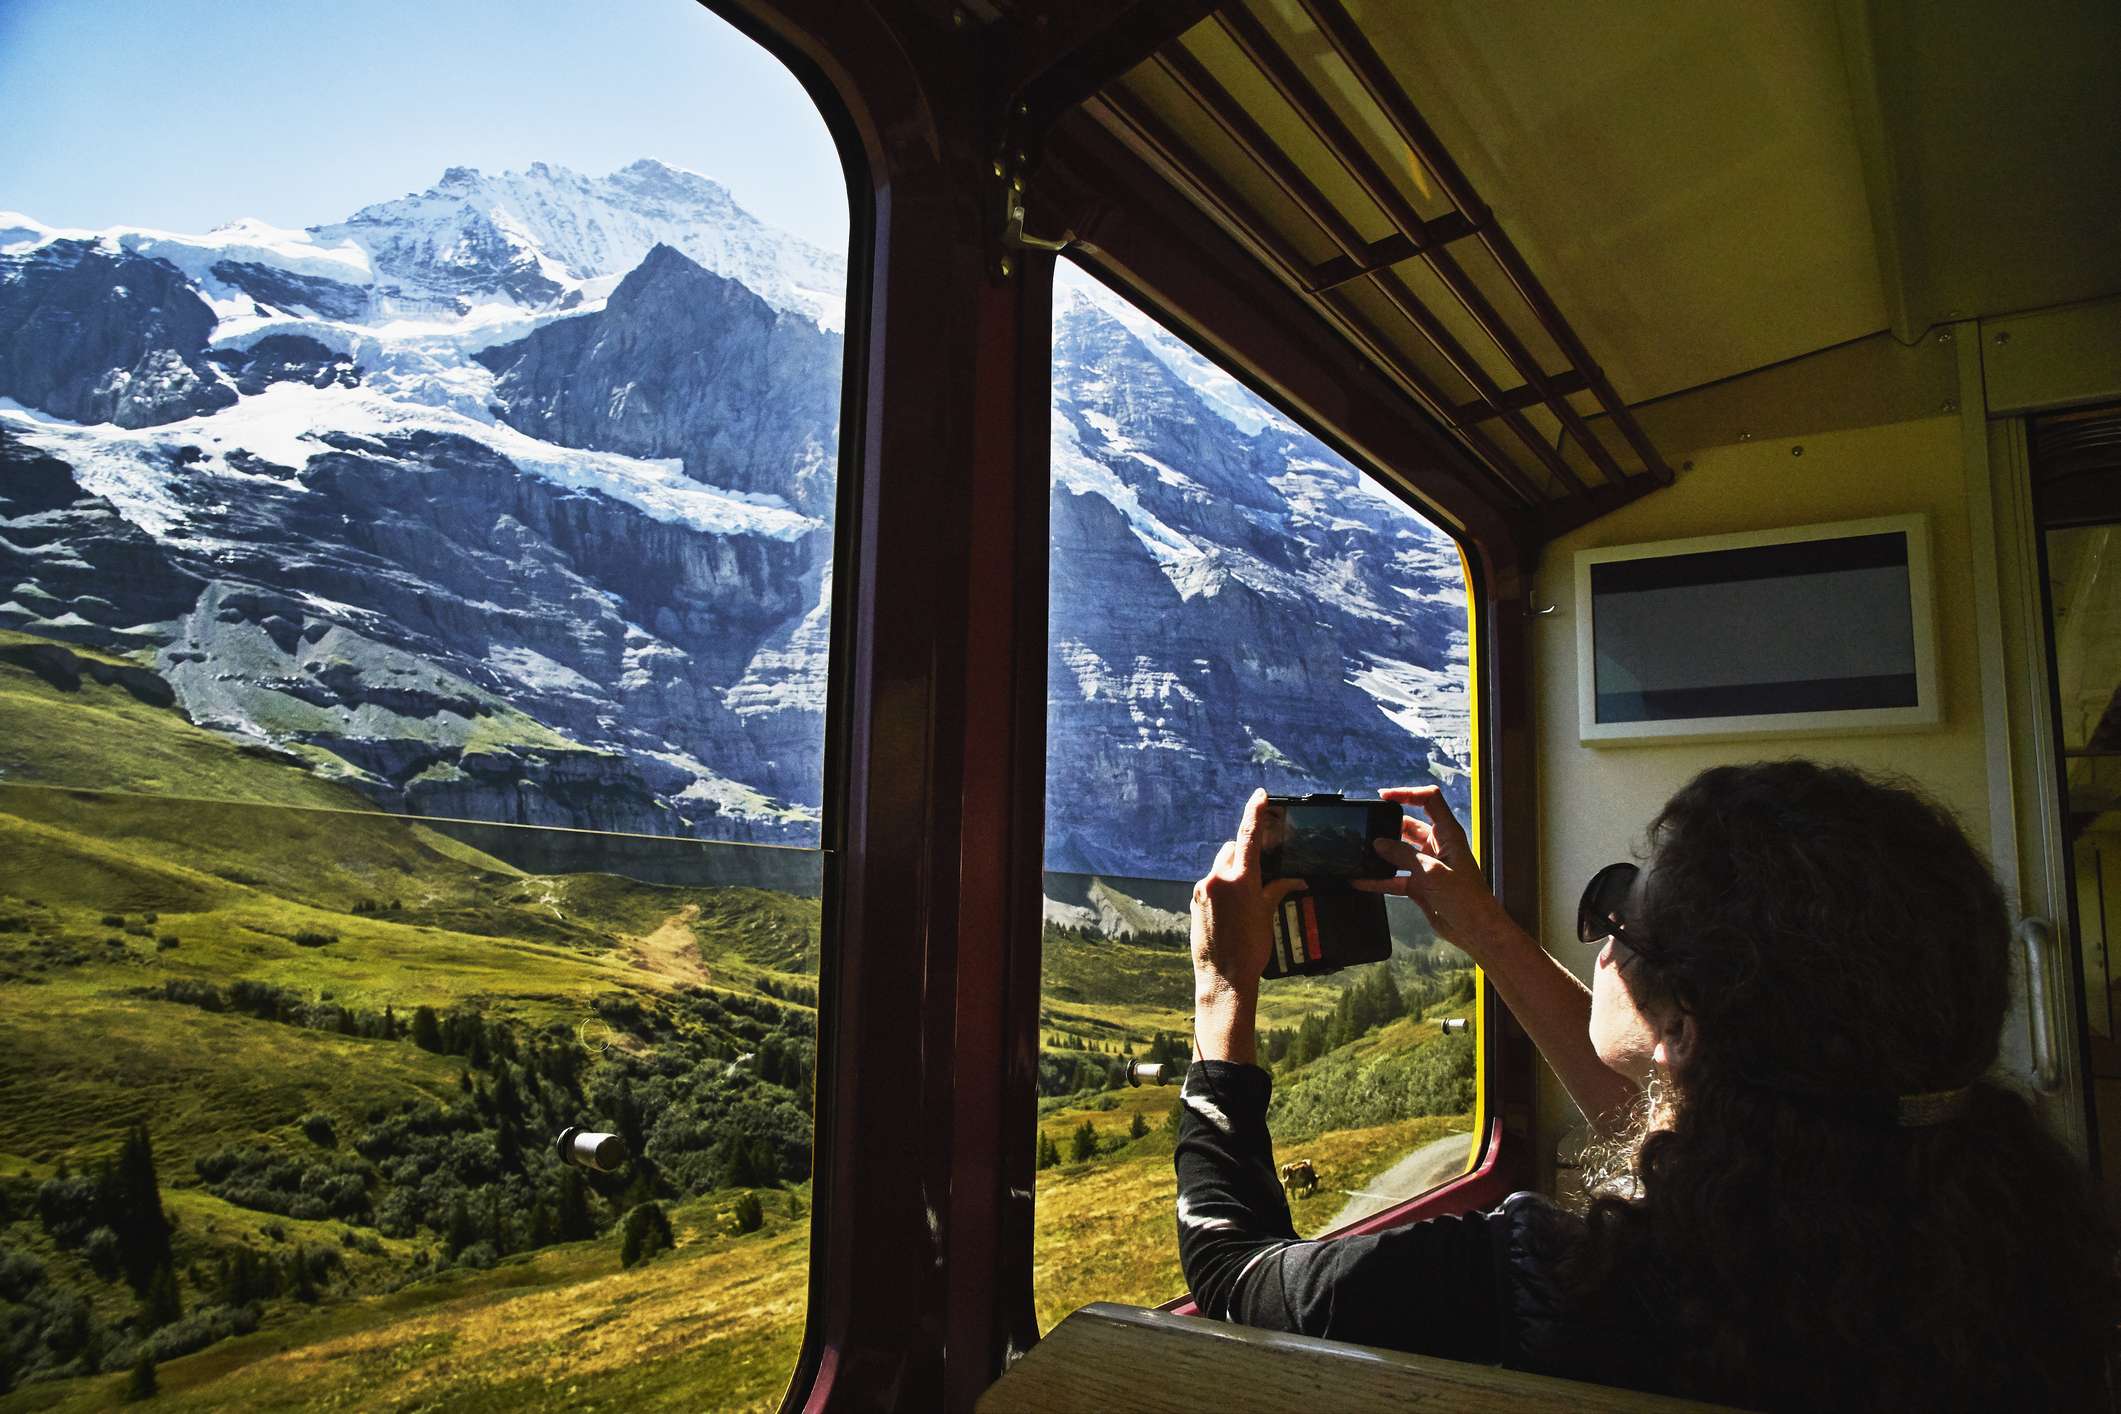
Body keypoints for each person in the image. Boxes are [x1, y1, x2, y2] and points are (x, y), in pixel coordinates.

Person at [1178, 762, 2116, 1410]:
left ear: (1681, 1026)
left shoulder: (1551, 1286)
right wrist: (1485, 930)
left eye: (1620, 909)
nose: (1602, 931)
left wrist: (1224, 992)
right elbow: (1684, 1114)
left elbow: (1232, 1277)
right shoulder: (1998, 1233)